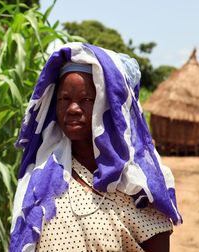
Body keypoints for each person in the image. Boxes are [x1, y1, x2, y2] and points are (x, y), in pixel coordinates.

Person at [10, 42, 182, 251]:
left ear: (111, 107)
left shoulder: (140, 186)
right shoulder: (42, 180)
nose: (73, 108)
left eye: (86, 99)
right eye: (65, 99)